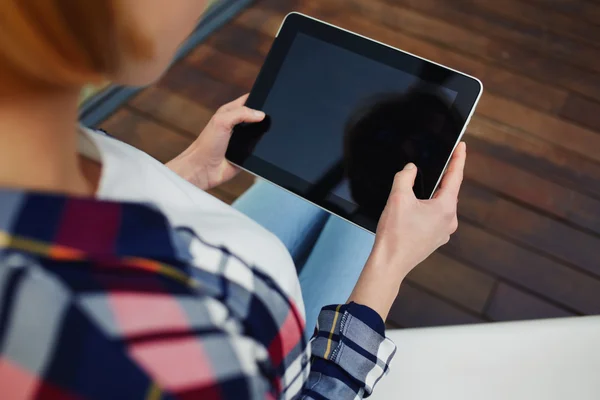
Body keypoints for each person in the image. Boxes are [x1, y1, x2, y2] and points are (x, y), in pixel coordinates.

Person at [0, 1, 465, 399]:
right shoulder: (143, 354)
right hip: (273, 334)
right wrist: (389, 264)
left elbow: (90, 213)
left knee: (324, 193)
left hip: (219, 263)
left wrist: (183, 174)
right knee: (362, 216)